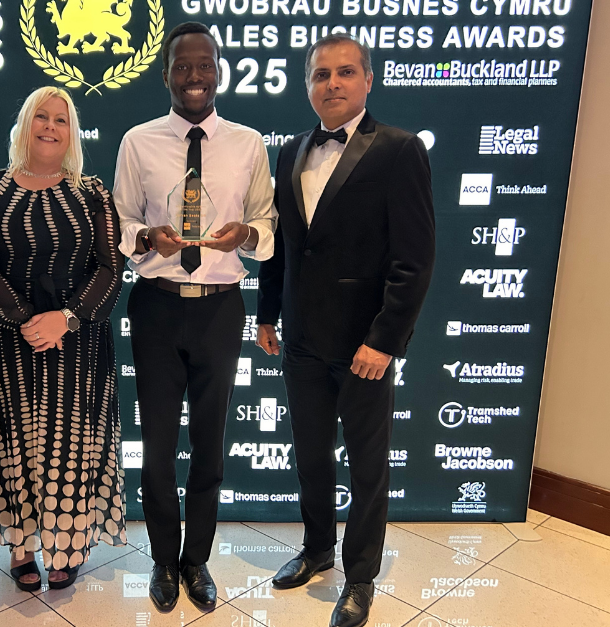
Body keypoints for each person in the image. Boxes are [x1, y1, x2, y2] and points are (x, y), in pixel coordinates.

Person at [256, 34, 435, 627]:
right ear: (308, 85)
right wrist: (267, 313)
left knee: (367, 467)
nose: (332, 83)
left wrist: (384, 341)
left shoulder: (400, 149)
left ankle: (360, 577)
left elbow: (414, 260)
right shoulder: (290, 150)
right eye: (321, 74)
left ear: (367, 80)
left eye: (345, 72)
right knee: (311, 456)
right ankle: (316, 550)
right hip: (302, 340)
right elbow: (284, 246)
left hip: (364, 346)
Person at [114, 22, 276, 613]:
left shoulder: (248, 143)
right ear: (165, 75)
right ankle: (163, 559)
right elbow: (121, 221)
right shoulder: (138, 141)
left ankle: (196, 559)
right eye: (182, 66)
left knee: (210, 443)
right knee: (157, 446)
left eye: (204, 64)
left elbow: (267, 225)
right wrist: (145, 238)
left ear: (218, 70)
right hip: (156, 307)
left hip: (219, 308)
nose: (194, 76)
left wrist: (246, 235)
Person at [0, 86, 127, 592]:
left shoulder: (92, 192)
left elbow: (111, 267)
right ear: (24, 124)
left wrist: (66, 319)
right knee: (13, 442)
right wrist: (26, 320)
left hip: (77, 346)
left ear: (72, 133)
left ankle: (67, 546)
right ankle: (22, 547)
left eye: (61, 119)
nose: (50, 126)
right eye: (41, 116)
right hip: (5, 345)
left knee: (69, 447)